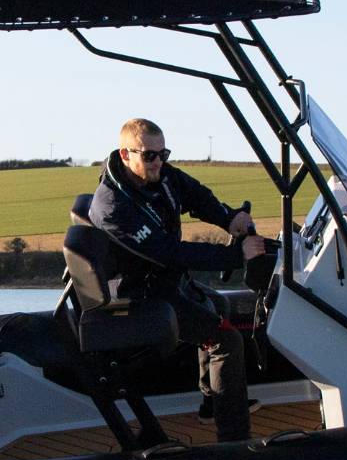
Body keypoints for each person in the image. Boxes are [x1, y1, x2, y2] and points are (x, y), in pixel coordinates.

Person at [89, 117, 268, 442]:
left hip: (164, 280)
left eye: (164, 153)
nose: (159, 161)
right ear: (125, 154)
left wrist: (229, 218)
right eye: (149, 155)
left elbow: (196, 196)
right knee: (227, 342)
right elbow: (168, 252)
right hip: (139, 294)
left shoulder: (161, 176)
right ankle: (235, 440)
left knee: (220, 304)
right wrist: (236, 255)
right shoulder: (113, 208)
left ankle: (213, 405)